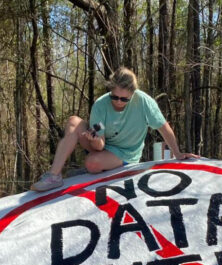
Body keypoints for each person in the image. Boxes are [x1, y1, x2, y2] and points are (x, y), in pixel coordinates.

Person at [31, 67, 199, 192]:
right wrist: (95, 139)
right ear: (110, 91)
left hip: (126, 153)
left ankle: (96, 168)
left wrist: (178, 154)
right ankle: (54, 176)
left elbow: (163, 127)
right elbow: (100, 146)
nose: (118, 101)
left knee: (92, 163)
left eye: (124, 99)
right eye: (114, 97)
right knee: (74, 121)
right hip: (104, 146)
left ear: (133, 93)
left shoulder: (144, 102)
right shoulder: (101, 105)